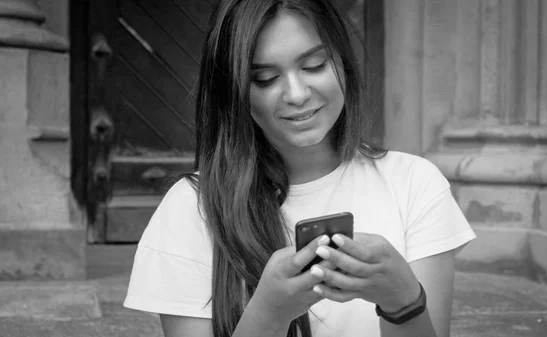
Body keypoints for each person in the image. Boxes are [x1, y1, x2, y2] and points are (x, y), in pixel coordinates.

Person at [123, 0, 476, 336]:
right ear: (236, 93)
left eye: (314, 65)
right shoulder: (192, 207)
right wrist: (268, 313)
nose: (296, 94)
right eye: (265, 78)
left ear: (342, 63)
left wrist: (403, 301)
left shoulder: (414, 183)